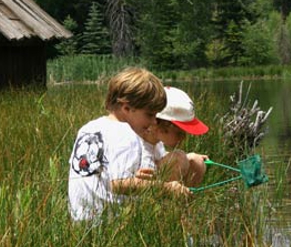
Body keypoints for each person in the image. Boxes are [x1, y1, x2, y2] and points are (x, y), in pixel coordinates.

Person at [68, 67, 191, 221]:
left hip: (80, 218)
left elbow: (107, 175)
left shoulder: (90, 128)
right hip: (108, 222)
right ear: (126, 108)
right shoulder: (126, 135)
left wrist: (138, 178)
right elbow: (118, 185)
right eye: (150, 114)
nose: (154, 121)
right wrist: (166, 188)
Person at [140, 86, 210, 188]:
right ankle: (167, 201)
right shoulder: (135, 142)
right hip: (146, 189)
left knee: (196, 161)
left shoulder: (156, 142)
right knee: (178, 157)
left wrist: (189, 156)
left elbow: (157, 157)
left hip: (157, 180)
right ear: (158, 123)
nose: (184, 138)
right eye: (179, 133)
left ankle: (185, 201)